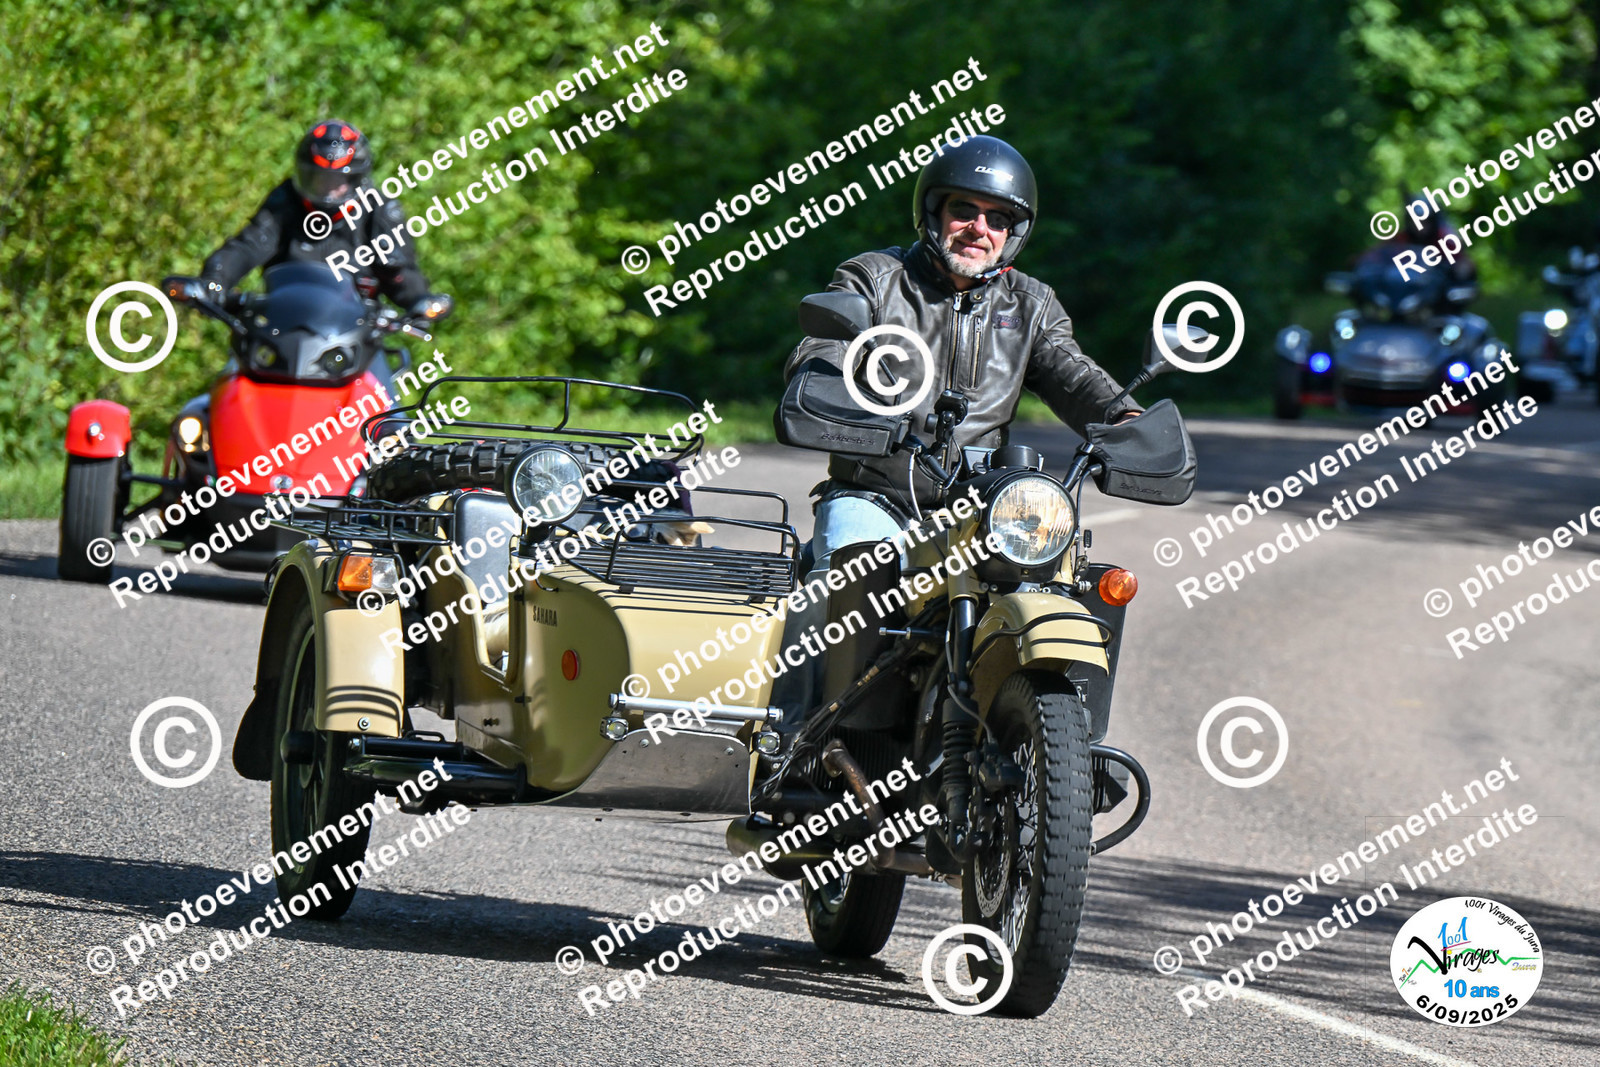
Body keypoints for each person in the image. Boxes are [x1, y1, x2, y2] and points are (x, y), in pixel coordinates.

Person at [774, 134, 1140, 717]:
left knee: (1062, 592)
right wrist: (830, 387)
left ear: (1013, 233)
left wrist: (1126, 419)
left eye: (998, 218)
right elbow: (824, 348)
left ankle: (1048, 742)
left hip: (981, 507)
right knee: (837, 583)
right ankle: (788, 738)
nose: (978, 228)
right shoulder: (876, 278)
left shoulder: (1031, 305)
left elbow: (1074, 376)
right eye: (964, 210)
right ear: (933, 213)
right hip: (878, 493)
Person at [197, 120, 439, 313]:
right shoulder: (286, 200)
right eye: (320, 178)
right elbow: (247, 246)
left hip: (358, 336)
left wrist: (419, 299)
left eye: (338, 180)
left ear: (356, 179)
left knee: (386, 364)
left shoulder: (379, 209)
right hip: (282, 325)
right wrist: (215, 279)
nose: (329, 188)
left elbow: (404, 276)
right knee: (239, 359)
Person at [1361, 193, 1476, 314]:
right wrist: (1363, 263)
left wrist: (1456, 270)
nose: (1419, 226)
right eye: (1415, 221)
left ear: (1433, 221)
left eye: (1425, 221)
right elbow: (1377, 255)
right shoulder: (1401, 238)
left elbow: (1463, 265)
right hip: (1401, 295)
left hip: (1433, 302)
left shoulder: (1447, 241)